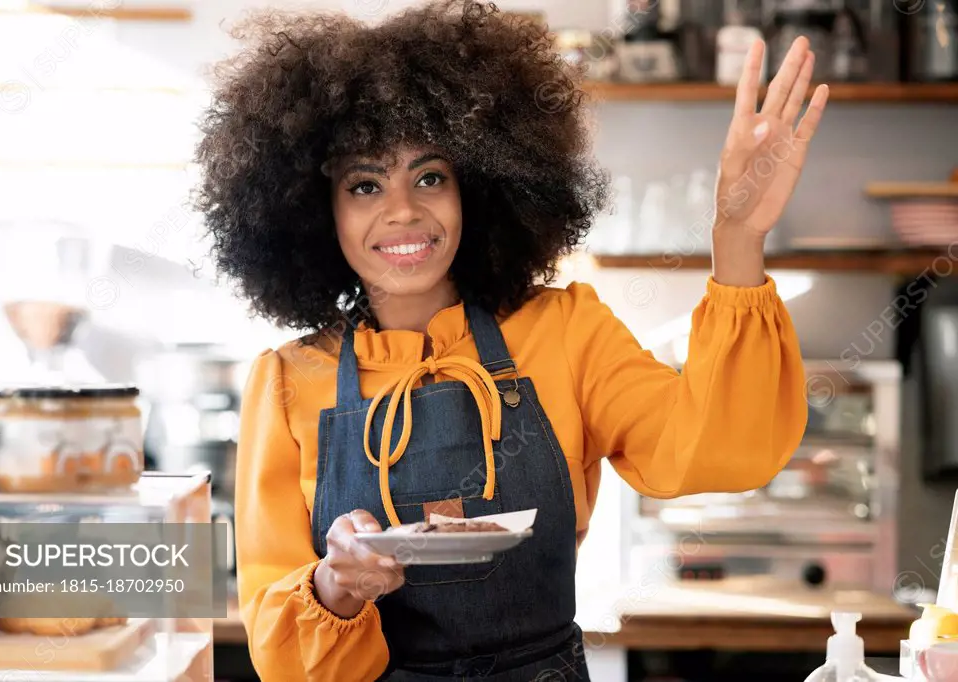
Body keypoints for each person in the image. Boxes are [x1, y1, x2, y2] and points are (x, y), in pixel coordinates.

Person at [193, 1, 826, 679]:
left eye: (430, 176)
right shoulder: (289, 382)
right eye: (365, 184)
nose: (403, 210)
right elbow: (283, 655)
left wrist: (736, 236)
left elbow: (719, 452)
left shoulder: (566, 331)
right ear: (319, 212)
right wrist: (336, 589)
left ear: (480, 188)